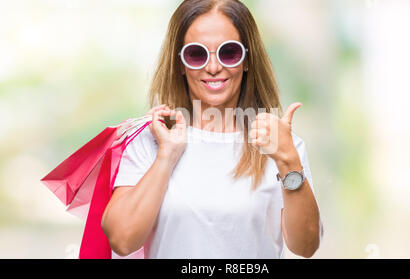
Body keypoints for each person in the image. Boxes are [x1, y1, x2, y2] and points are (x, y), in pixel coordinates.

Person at [101, 0, 323, 259]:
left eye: (229, 52)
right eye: (197, 54)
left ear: (247, 60)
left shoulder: (281, 145)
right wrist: (166, 156)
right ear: (181, 64)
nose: (214, 67)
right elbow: (122, 240)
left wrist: (288, 161)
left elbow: (306, 247)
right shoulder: (153, 138)